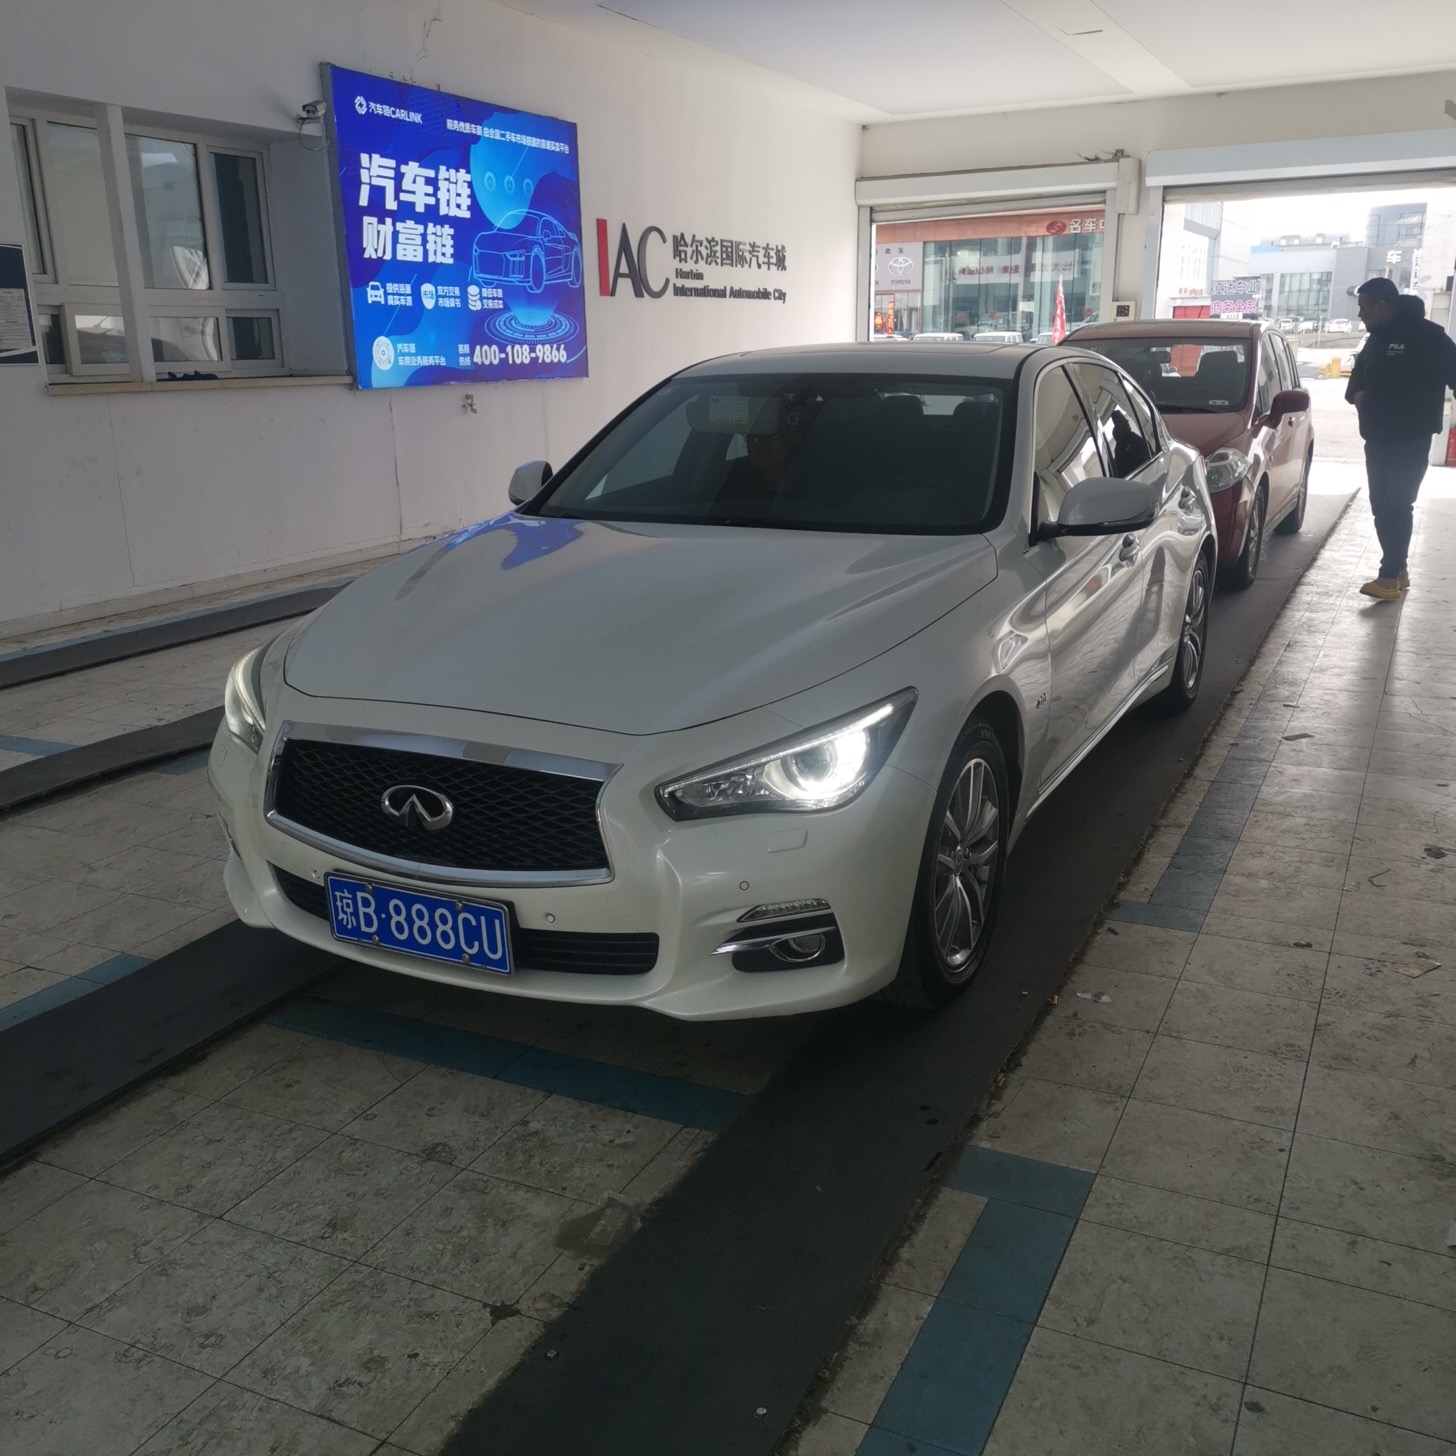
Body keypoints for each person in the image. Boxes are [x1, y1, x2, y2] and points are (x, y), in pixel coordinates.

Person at [1345, 278, 1456, 599]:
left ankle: (1389, 574)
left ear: (1382, 305)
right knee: (1380, 504)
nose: (1360, 315)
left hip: (1412, 436)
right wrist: (1359, 397)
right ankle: (1399, 568)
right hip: (1377, 436)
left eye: (1364, 307)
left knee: (1398, 501)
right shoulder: (1376, 339)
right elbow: (1356, 381)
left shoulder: (1429, 336)